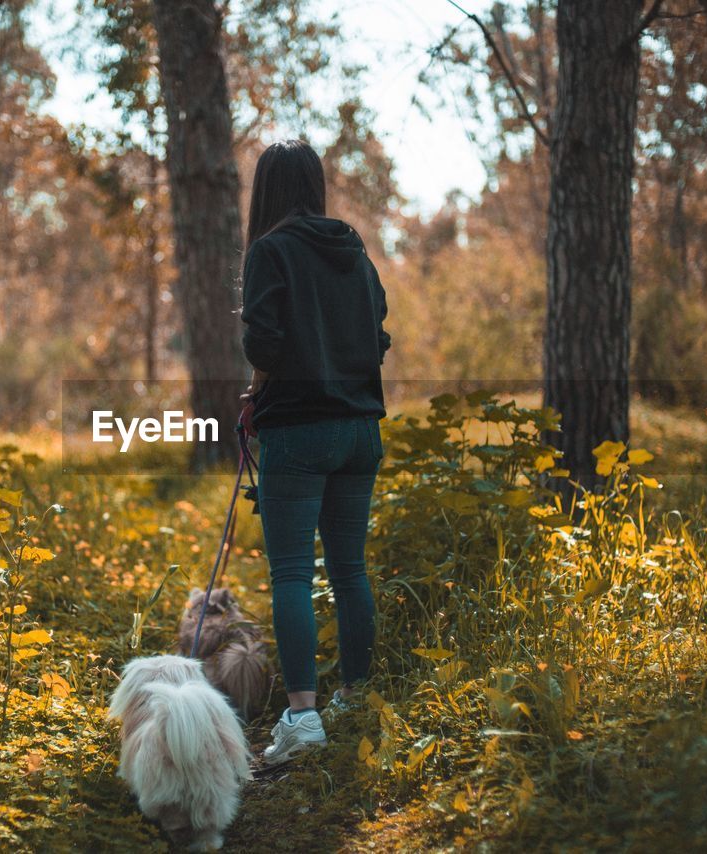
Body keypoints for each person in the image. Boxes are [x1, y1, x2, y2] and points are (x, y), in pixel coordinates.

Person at [239, 139, 391, 765]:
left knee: (293, 574)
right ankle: (355, 699)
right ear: (316, 184)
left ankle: (304, 718)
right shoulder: (351, 248)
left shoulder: (268, 251)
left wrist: (260, 389)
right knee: (350, 570)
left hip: (298, 432)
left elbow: (265, 348)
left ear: (265, 191)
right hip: (360, 428)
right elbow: (378, 335)